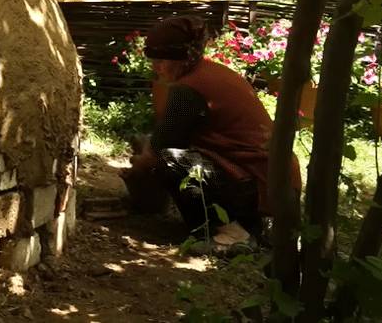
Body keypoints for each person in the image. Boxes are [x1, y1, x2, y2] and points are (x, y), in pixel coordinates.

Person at [120, 15, 300, 249]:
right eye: (154, 59)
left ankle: (235, 235)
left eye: (162, 60)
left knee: (170, 161)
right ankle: (233, 225)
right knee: (155, 148)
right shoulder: (207, 73)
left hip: (259, 182)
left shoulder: (190, 88)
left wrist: (138, 168)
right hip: (258, 175)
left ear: (183, 58)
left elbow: (159, 149)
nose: (156, 67)